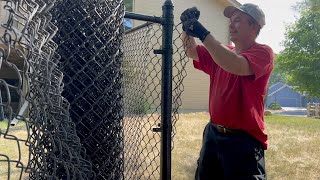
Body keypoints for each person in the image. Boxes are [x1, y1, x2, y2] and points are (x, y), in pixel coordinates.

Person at [180, 3, 274, 180]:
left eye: (237, 21)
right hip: (213, 135)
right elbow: (190, 51)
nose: (231, 25)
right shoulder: (222, 52)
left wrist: (202, 33)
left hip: (243, 141)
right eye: (230, 21)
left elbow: (236, 65)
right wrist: (186, 29)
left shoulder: (263, 52)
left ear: (254, 26)